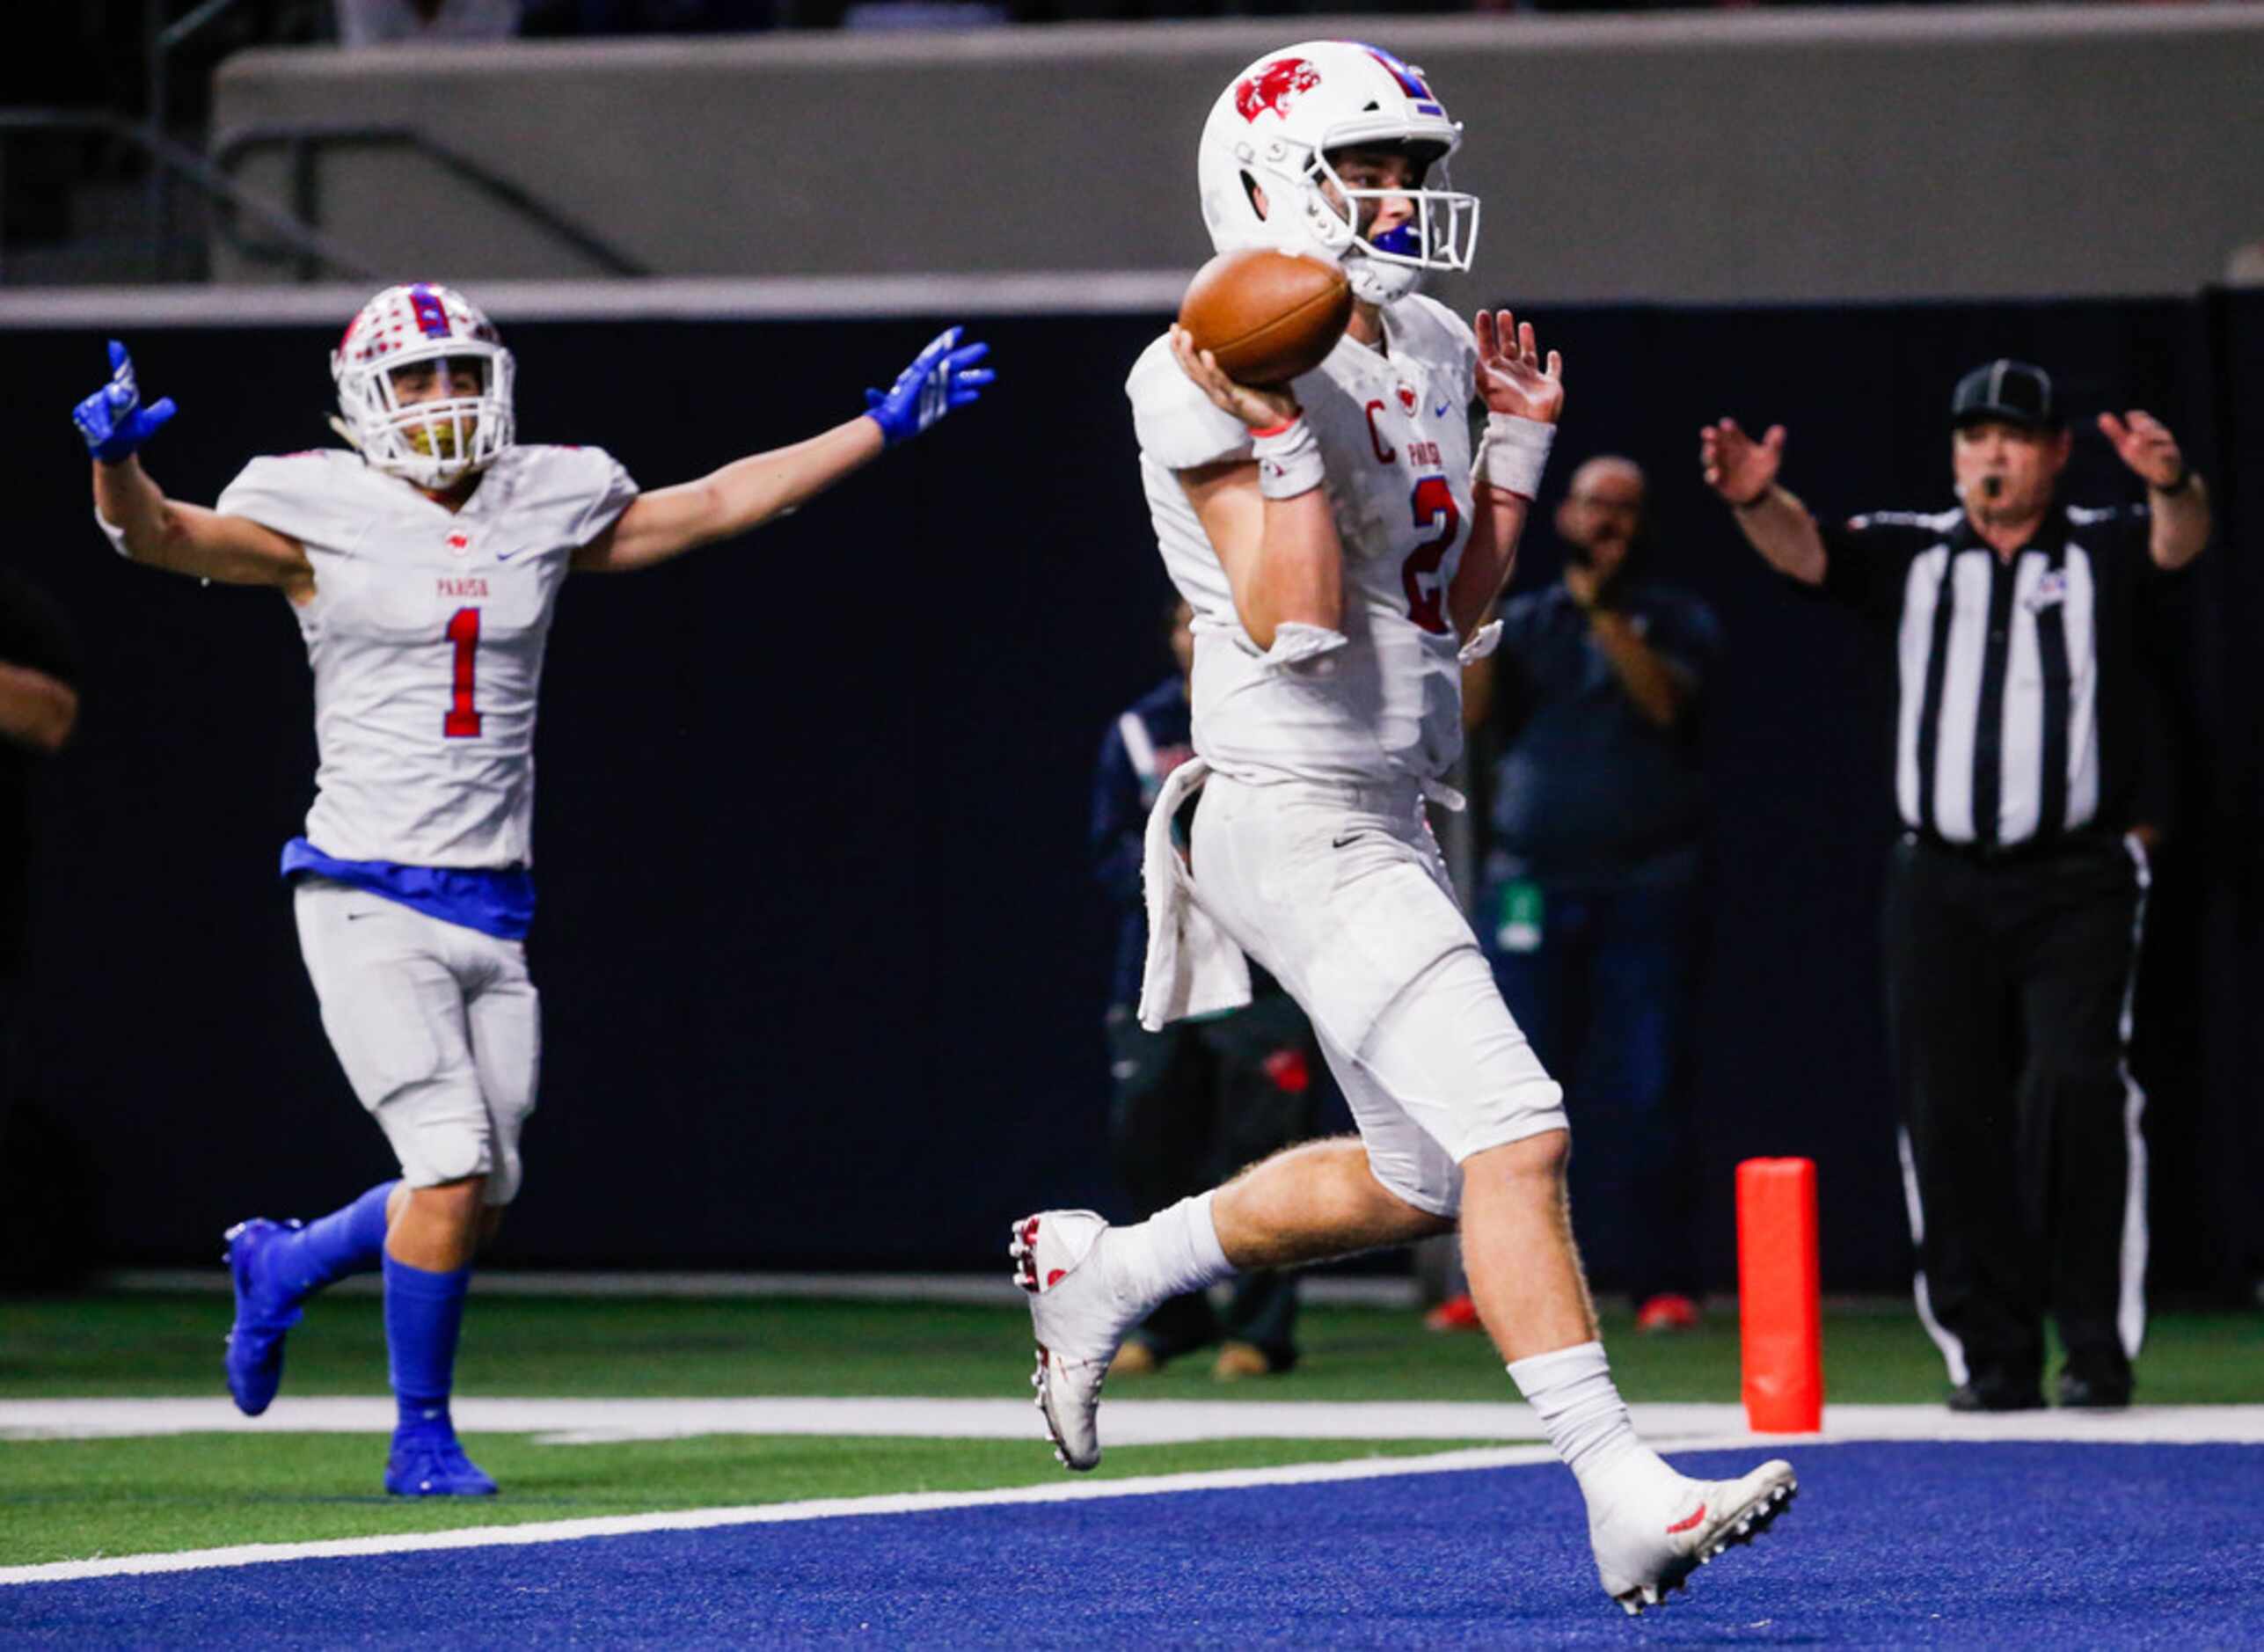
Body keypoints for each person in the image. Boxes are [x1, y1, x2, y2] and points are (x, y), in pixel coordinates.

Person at [1012, 41, 1793, 1617]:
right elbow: (1296, 617)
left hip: (1390, 804)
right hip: (1283, 805)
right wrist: (1282, 424)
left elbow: (1448, 604)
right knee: (1519, 1125)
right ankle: (1618, 1486)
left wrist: (1508, 454)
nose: (1398, 198)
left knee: (1424, 1174)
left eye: (1408, 170)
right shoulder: (1191, 364)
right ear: (1261, 181)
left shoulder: (1429, 335)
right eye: (1363, 167)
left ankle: (1108, 1270)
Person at [73, 284, 991, 1495]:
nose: (443, 398)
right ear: (362, 401)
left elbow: (710, 505)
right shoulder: (318, 504)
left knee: (478, 1194)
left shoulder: (541, 495)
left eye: (460, 373)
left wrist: (874, 429)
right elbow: (163, 538)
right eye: (415, 380)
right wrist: (118, 469)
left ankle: (287, 1264)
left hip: (494, 903)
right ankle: (421, 1435)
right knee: (449, 1166)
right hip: (361, 890)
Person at [1701, 358, 2209, 1412]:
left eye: (2015, 436)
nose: (1992, 454)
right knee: (1948, 1110)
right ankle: (1991, 1353)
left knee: (2075, 1090)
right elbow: (1809, 553)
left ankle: (2094, 1347)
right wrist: (1756, 496)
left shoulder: (2104, 547)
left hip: (2077, 876)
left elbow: (2181, 541)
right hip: (1939, 879)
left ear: (2056, 455)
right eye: (1975, 436)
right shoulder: (1918, 554)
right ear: (1953, 453)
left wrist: (2171, 482)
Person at [1428, 457, 1717, 1339]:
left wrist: (1603, 615)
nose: (1608, 523)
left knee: (1649, 1086)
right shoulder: (1526, 621)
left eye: (1625, 510)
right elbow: (1468, 718)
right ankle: (1497, 1283)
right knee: (1510, 1092)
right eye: (1595, 505)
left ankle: (1661, 1282)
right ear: (1567, 516)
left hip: (1647, 885)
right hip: (1532, 886)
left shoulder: (1678, 619)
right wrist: (1476, 615)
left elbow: (1666, 705)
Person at [1091, 600, 1326, 1381]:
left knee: (1268, 1155)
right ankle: (1171, 1320)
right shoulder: (1140, 728)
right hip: (1162, 973)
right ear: (1169, 635)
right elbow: (1109, 851)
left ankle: (1261, 1330)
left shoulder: (1285, 721)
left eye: (1214, 620)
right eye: (1186, 620)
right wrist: (1177, 876)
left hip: (1261, 977)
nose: (1200, 635)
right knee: (1148, 1143)